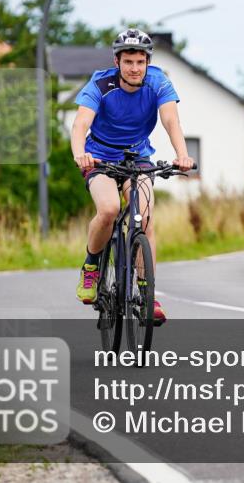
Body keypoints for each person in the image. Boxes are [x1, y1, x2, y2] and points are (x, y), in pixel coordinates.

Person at [70, 28, 196, 324]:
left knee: (144, 217)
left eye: (140, 61)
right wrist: (80, 153)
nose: (135, 68)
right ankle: (91, 268)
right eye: (129, 62)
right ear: (117, 62)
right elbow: (80, 124)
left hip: (137, 155)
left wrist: (182, 154)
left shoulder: (158, 81)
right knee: (110, 209)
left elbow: (170, 120)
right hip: (99, 156)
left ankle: (146, 293)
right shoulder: (101, 83)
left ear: (147, 61)